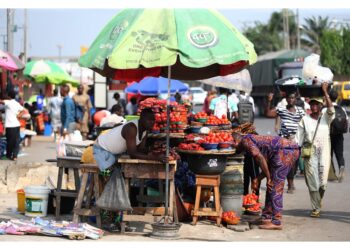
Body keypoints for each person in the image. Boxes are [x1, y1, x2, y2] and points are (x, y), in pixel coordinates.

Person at [231, 132, 300, 230]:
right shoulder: (250, 140)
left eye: (232, 145)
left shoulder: (245, 141)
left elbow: (260, 159)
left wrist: (269, 178)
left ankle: (277, 221)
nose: (233, 148)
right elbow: (265, 164)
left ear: (235, 141)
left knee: (276, 186)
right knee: (271, 185)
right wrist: (258, 179)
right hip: (282, 151)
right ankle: (267, 216)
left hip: (286, 151)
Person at [296, 82, 335, 218]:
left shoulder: (326, 118)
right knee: (313, 182)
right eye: (311, 104)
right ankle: (316, 207)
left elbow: (331, 110)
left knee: (322, 184)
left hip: (324, 152)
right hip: (310, 154)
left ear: (320, 106)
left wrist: (325, 92)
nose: (313, 106)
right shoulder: (304, 120)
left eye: (316, 104)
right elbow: (298, 139)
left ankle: (318, 200)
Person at [93, 108, 167, 171]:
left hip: (113, 154)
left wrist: (154, 150)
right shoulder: (131, 128)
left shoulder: (145, 131)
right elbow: (132, 154)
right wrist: (156, 158)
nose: (152, 122)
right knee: (106, 174)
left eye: (153, 120)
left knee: (117, 174)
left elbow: (140, 150)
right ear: (141, 119)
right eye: (149, 120)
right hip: (101, 149)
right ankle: (97, 182)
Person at [265, 91, 305, 193]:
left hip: (296, 140)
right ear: (286, 99)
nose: (291, 100)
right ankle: (290, 185)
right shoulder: (282, 109)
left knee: (294, 164)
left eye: (293, 98)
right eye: (289, 98)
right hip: (284, 140)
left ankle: (291, 181)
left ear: (295, 99)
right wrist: (269, 101)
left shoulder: (300, 111)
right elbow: (269, 113)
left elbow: (305, 123)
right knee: (288, 163)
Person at [0, 90, 25, 161]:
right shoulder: (16, 103)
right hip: (17, 125)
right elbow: (23, 110)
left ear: (9, 96)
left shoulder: (8, 102)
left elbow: (1, 102)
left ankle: (9, 155)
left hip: (10, 126)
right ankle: (15, 156)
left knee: (10, 141)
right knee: (16, 141)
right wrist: (19, 116)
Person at [328, 89, 347, 182]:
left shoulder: (326, 109)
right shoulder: (342, 109)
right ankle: (341, 166)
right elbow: (346, 120)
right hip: (339, 135)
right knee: (339, 154)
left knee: (329, 155)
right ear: (336, 98)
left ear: (328, 97)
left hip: (329, 135)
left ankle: (332, 173)